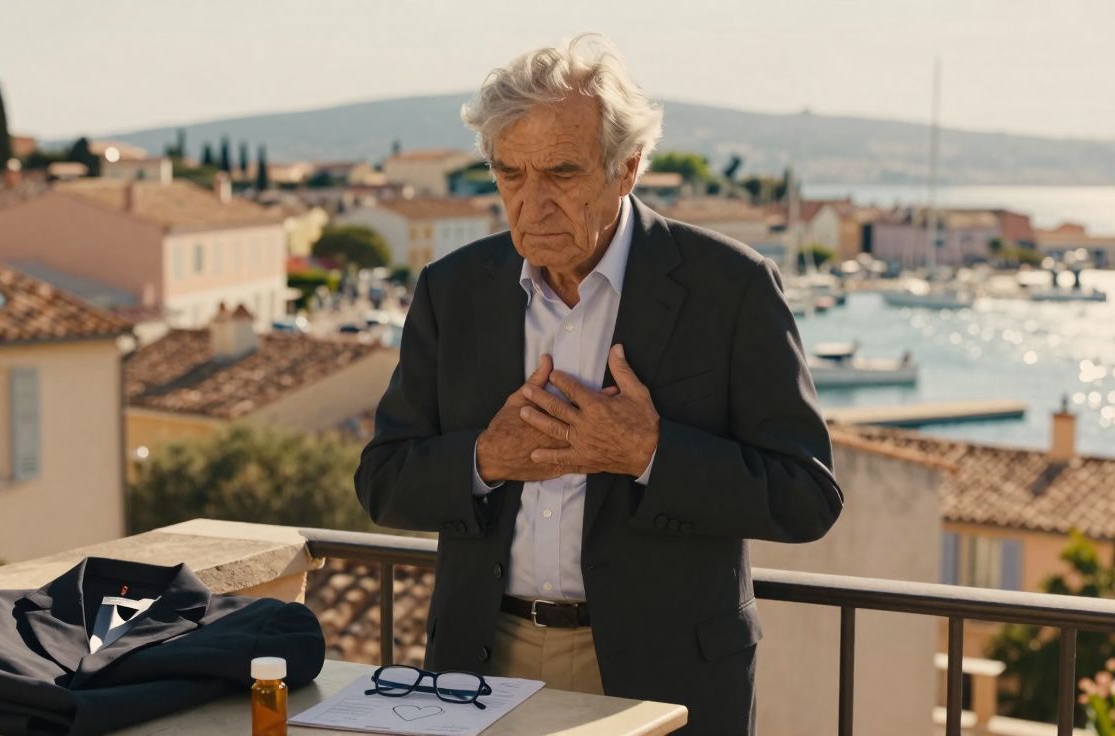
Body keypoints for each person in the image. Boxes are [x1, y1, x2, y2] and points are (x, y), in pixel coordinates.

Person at [355, 33, 843, 735]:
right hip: (481, 665)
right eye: (510, 175)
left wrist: (648, 452)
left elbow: (807, 497)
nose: (532, 203)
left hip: (663, 672)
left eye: (561, 172)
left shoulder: (730, 289)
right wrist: (484, 460)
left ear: (628, 168)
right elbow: (382, 480)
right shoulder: (452, 293)